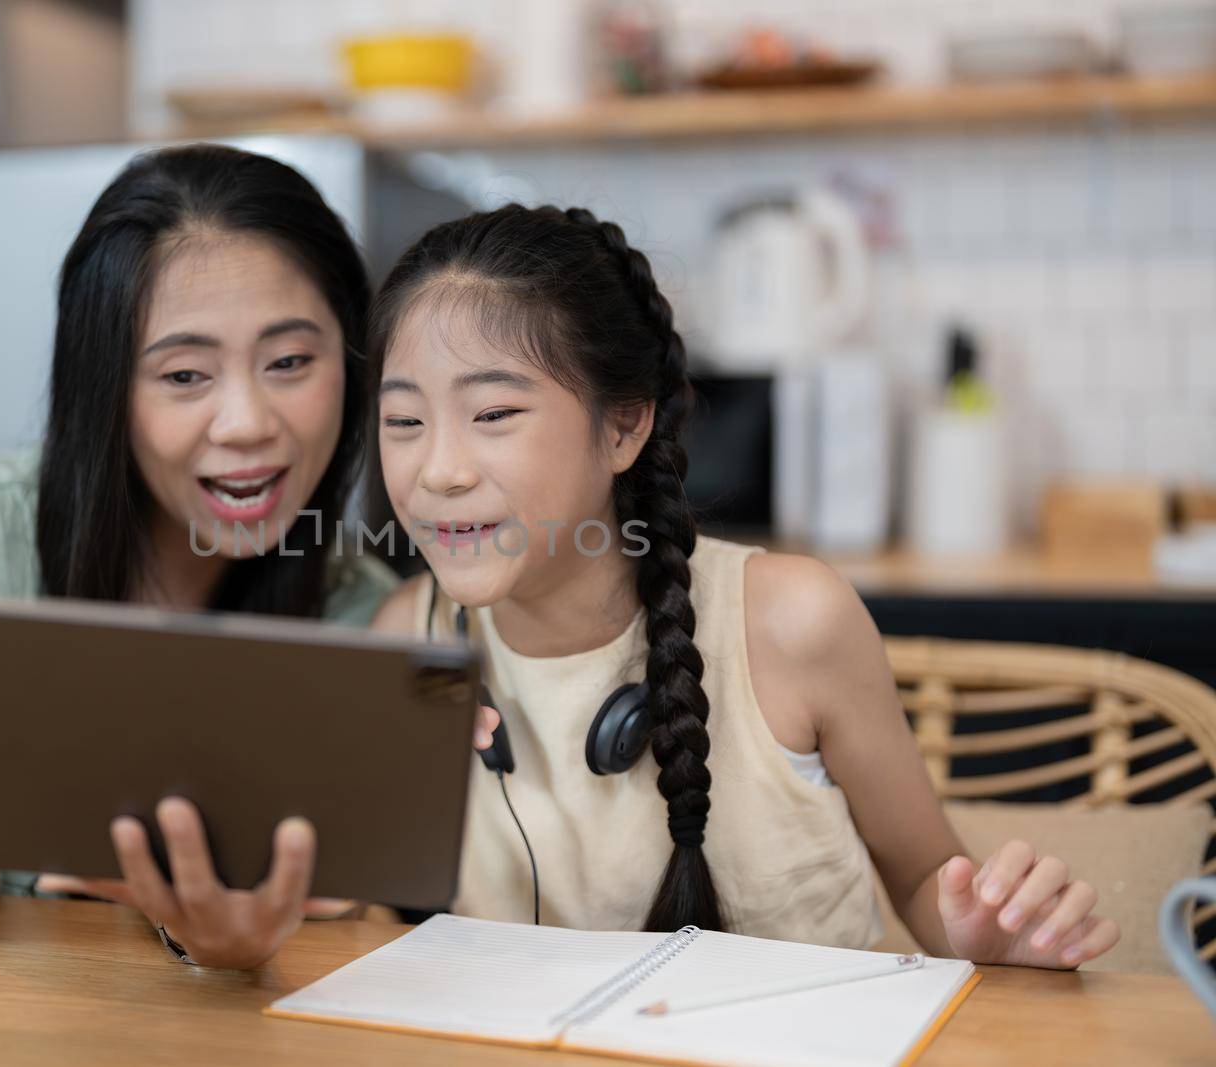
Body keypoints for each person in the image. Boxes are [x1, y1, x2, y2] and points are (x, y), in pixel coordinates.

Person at [365, 203, 1119, 968]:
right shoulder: (406, 636)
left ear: (623, 425)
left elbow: (927, 875)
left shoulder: (793, 621)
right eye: (403, 421)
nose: (438, 471)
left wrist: (989, 935)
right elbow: (368, 920)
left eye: (492, 412)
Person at [0, 145, 420, 970]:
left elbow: (357, 931)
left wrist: (233, 938)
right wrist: (85, 755)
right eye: (186, 374)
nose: (246, 422)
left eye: (291, 362)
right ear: (106, 388)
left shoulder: (361, 616)